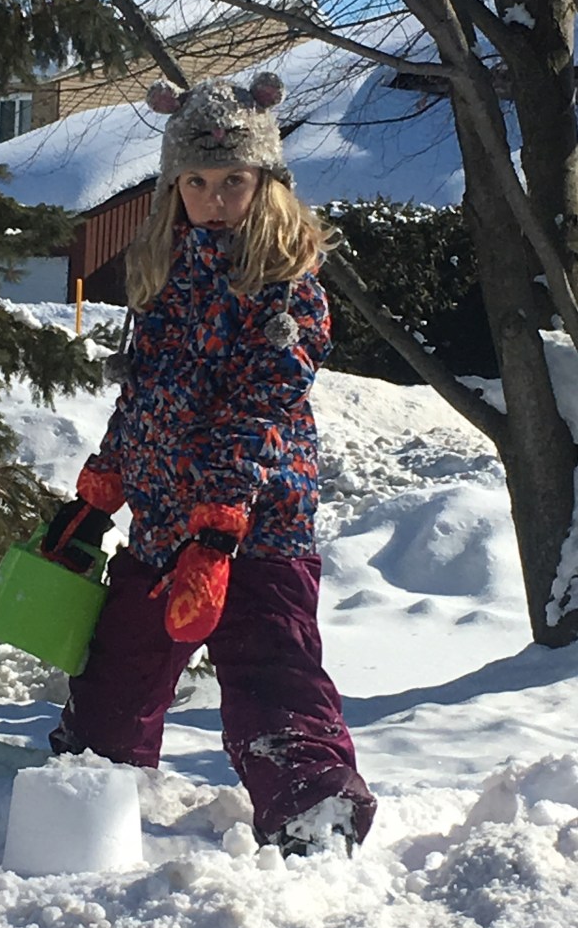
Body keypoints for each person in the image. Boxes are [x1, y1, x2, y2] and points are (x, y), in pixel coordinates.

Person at [42, 72, 377, 858]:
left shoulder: (287, 291)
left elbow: (257, 412)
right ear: (173, 188)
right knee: (118, 669)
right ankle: (91, 785)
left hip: (257, 532)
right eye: (196, 182)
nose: (214, 198)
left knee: (272, 675)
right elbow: (147, 396)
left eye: (233, 181)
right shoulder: (165, 277)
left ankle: (314, 813)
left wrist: (220, 529)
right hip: (164, 526)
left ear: (267, 183)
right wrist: (100, 490)